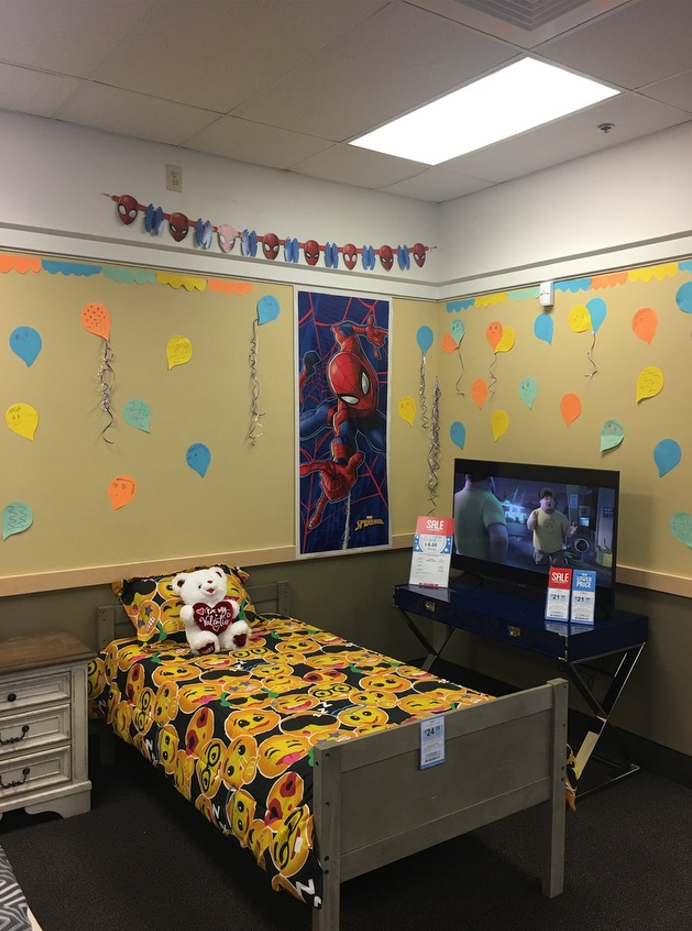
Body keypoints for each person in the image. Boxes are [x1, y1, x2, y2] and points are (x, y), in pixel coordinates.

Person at [453, 470, 508, 563]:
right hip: (481, 564)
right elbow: (500, 540)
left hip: (459, 561)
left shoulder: (455, 497)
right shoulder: (489, 500)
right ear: (489, 478)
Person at [526, 487, 577, 566]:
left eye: (551, 499)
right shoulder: (535, 513)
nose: (549, 501)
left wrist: (571, 531)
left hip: (556, 550)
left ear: (554, 502)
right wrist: (531, 522)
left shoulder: (560, 516)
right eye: (546, 498)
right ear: (540, 501)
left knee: (557, 565)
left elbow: (567, 532)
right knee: (540, 564)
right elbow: (530, 527)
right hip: (540, 550)